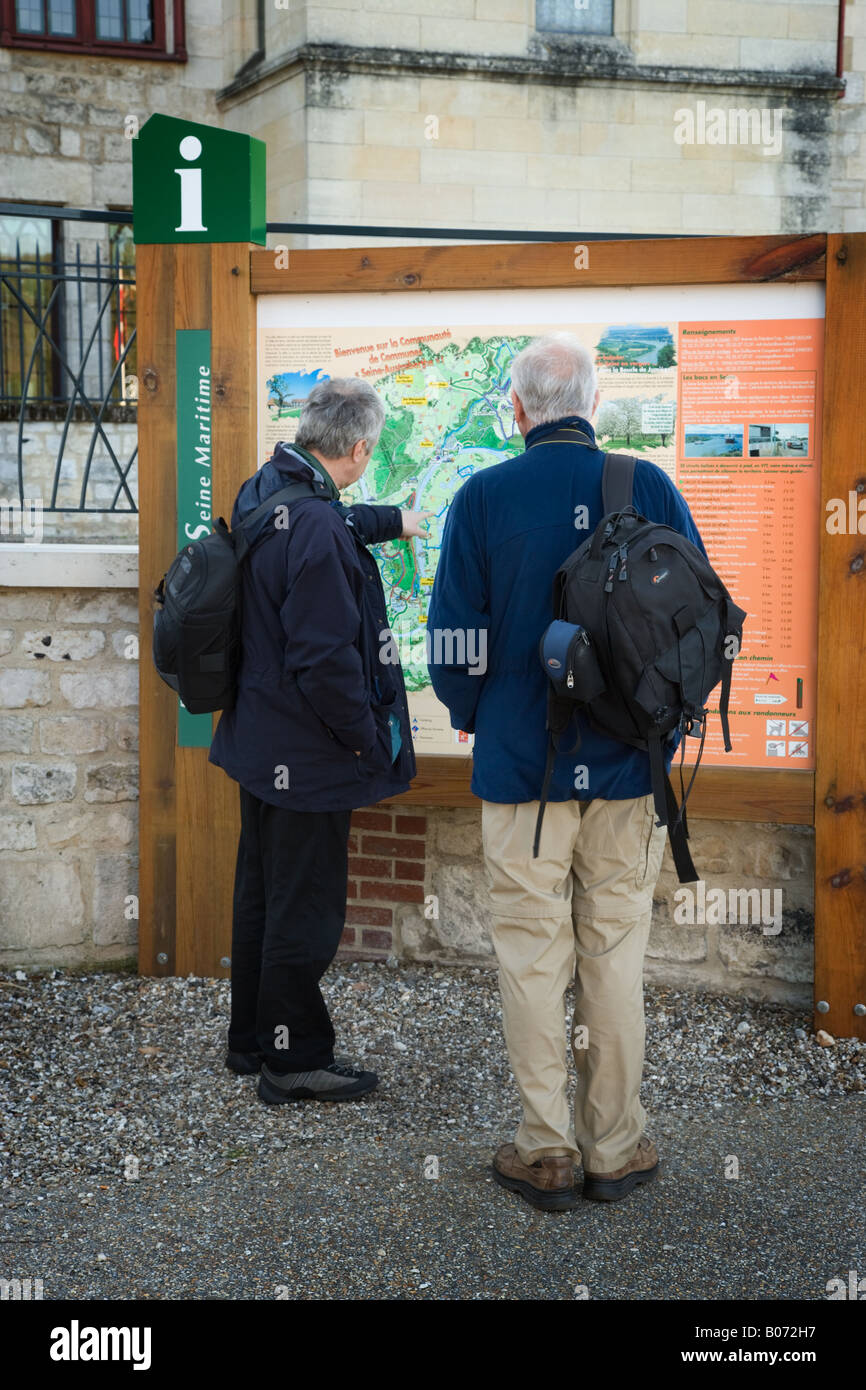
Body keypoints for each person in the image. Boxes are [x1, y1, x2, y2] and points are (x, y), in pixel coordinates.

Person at [427, 333, 708, 1211]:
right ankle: (615, 1149)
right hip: (627, 769)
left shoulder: (481, 497)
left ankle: (545, 1150)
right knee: (616, 955)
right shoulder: (647, 485)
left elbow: (452, 642)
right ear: (595, 404)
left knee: (531, 956)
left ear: (518, 410)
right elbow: (697, 622)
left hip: (523, 773)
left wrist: (478, 713)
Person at [209, 377, 429, 1106]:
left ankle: (251, 1042)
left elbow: (315, 524)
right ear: (360, 448)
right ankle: (294, 1059)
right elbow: (327, 662)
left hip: (259, 746)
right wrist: (366, 741)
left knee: (263, 895)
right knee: (305, 909)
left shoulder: (265, 487)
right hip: (307, 758)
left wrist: (390, 520)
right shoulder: (316, 528)